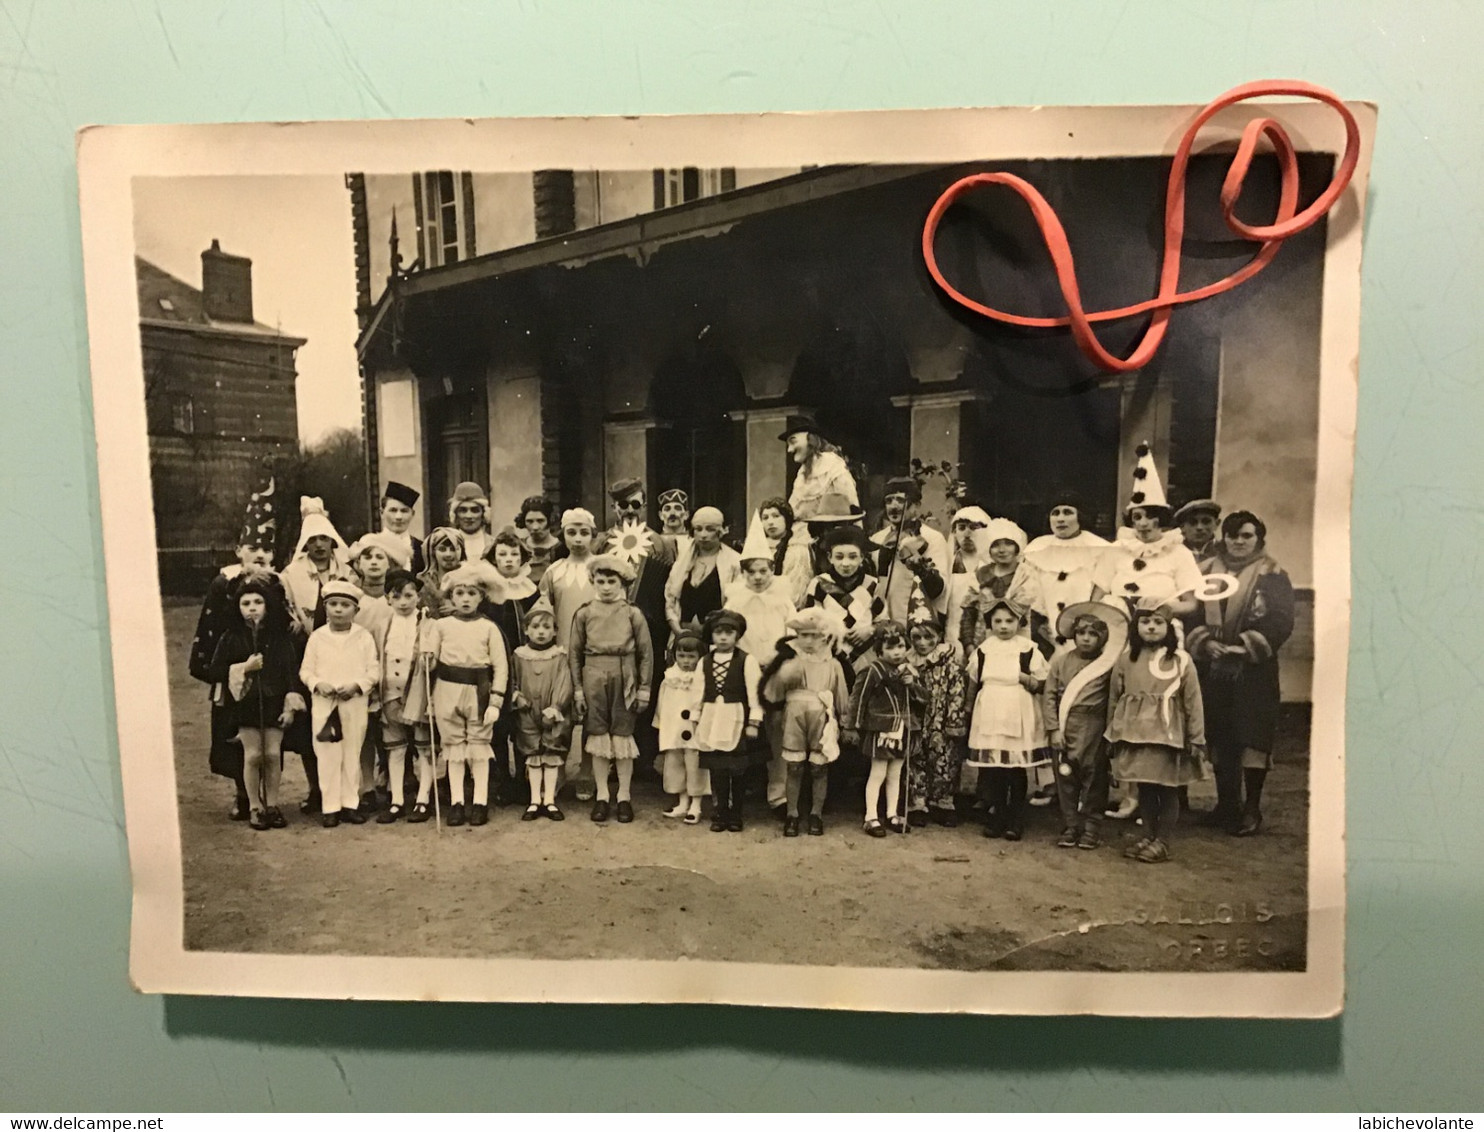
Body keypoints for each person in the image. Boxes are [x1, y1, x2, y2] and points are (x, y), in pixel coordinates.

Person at [1186, 510, 1295, 835]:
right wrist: (1204, 643)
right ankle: (1226, 805)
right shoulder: (1205, 571)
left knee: (1252, 737)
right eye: (1232, 535)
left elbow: (1281, 619)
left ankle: (1251, 810)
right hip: (1214, 666)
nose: (1238, 542)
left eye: (1246, 535)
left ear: (1258, 538)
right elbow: (1191, 613)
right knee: (1220, 736)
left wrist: (1245, 647)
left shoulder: (1272, 574)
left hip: (1253, 670)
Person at [188, 480, 281, 820]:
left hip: (267, 673)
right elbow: (210, 629)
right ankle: (243, 794)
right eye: (251, 547)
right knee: (235, 735)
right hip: (231, 668)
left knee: (268, 740)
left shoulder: (276, 584)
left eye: (265, 549)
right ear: (239, 548)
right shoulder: (224, 583)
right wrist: (219, 669)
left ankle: (268, 799)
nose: (259, 554)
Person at [1106, 583, 1208, 864]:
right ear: (1136, 627)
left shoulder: (1181, 661)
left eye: (1158, 622)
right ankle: (1148, 835)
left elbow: (1193, 702)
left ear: (1169, 626)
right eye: (1146, 622)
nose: (1151, 627)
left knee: (1167, 788)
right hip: (1135, 734)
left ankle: (1162, 840)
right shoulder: (1127, 659)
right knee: (1145, 788)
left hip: (1168, 734)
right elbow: (1116, 697)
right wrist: (1112, 735)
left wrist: (1196, 738)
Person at [208, 573, 306, 831]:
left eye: (257, 602)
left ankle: (272, 804)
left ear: (267, 605)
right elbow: (215, 669)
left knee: (273, 754)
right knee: (252, 756)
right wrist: (243, 667)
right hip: (245, 704)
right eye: (246, 603)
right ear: (238, 608)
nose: (252, 608)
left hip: (273, 701)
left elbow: (290, 672)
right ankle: (255, 805)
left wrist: (290, 704)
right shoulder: (230, 637)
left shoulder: (279, 637)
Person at [422, 562, 509, 828]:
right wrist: (427, 656)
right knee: (454, 747)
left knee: (478, 748)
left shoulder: (488, 627)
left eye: (472, 593)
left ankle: (480, 801)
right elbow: (430, 662)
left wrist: (496, 699)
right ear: (451, 597)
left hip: (478, 691)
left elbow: (500, 666)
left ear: (482, 597)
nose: (466, 599)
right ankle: (458, 802)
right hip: (448, 689)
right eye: (460, 593)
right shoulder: (441, 626)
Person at [570, 553, 655, 824]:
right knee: (598, 736)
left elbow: (645, 652)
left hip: (624, 671)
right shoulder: (584, 613)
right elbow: (574, 653)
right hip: (594, 672)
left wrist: (644, 688)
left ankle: (625, 796)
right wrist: (578, 690)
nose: (606, 587)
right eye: (601, 581)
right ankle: (603, 796)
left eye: (612, 581)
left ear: (623, 583)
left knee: (622, 735)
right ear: (593, 582)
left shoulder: (633, 613)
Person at [724, 513, 798, 813]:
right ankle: (737, 791)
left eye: (763, 571)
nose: (757, 577)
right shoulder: (735, 600)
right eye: (751, 572)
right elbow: (728, 635)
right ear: (743, 573)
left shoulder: (782, 599)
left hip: (775, 671)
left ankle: (777, 792)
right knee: (740, 727)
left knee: (777, 729)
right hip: (744, 670)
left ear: (772, 570)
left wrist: (776, 660)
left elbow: (792, 635)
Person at [965, 597, 1050, 841]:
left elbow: (1042, 684)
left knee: (1015, 768)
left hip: (1017, 709)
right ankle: (998, 815)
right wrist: (968, 710)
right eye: (998, 621)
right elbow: (973, 682)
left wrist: (1027, 680)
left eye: (1009, 621)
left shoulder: (1028, 648)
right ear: (990, 623)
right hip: (990, 708)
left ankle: (1016, 818)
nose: (1003, 626)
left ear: (1019, 622)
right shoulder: (984, 649)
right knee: (995, 769)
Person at [1044, 600, 1127, 850]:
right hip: (1066, 723)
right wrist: (1054, 729)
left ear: (1103, 638)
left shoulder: (1108, 664)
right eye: (1081, 633)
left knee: (1094, 778)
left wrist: (1111, 731)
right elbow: (1049, 695)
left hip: (1095, 726)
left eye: (1093, 634)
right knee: (1066, 778)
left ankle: (1092, 828)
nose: (1086, 639)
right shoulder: (1060, 662)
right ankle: (1071, 826)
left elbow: (1115, 697)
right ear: (1073, 635)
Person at [762, 607, 850, 836]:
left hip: (821, 715)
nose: (809, 641)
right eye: (803, 635)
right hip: (794, 716)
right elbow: (772, 693)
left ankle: (815, 814)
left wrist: (845, 722)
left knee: (819, 767)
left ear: (825, 637)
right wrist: (783, 677)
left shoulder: (833, 665)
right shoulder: (790, 661)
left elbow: (841, 696)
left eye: (814, 635)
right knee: (794, 766)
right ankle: (792, 814)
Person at [299, 580, 380, 828]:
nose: (338, 610)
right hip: (325, 704)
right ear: (326, 608)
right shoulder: (317, 637)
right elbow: (306, 670)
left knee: (352, 752)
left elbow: (373, 670)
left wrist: (357, 685)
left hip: (353, 703)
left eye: (345, 605)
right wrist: (318, 683)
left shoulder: (363, 637)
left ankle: (350, 804)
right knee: (327, 754)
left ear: (355, 611)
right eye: (333, 604)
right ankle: (330, 806)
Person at [1092, 443, 1203, 619]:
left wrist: (1163, 607)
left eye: (1150, 516)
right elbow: (1096, 599)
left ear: (1161, 519)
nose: (1143, 523)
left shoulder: (1179, 553)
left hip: (1159, 627)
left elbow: (1191, 604)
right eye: (1137, 517)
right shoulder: (1115, 550)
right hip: (1117, 626)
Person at [844, 620, 927, 838]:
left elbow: (924, 698)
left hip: (904, 728)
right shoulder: (872, 670)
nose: (897, 652)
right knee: (878, 772)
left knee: (895, 773)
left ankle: (892, 814)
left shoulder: (910, 670)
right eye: (890, 647)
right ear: (879, 649)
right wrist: (852, 727)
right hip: (881, 729)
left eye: (900, 646)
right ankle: (871, 816)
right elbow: (857, 699)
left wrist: (913, 685)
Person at [695, 609, 765, 833]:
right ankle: (720, 811)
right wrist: (696, 718)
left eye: (729, 632)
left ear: (737, 635)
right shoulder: (705, 661)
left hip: (736, 718)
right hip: (712, 718)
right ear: (712, 635)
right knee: (717, 770)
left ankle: (736, 813)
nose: (723, 637)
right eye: (718, 632)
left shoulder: (747, 660)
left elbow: (755, 693)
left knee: (737, 770)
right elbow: (698, 691)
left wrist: (753, 722)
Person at [374, 569, 434, 824]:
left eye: (409, 595)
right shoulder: (382, 626)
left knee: (424, 747)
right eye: (397, 596)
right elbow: (377, 657)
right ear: (388, 598)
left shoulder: (428, 624)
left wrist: (430, 659)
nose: (403, 601)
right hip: (390, 694)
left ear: (418, 597)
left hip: (418, 694)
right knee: (395, 749)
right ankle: (397, 799)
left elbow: (435, 659)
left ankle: (423, 799)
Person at [904, 593, 969, 828]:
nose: (922, 643)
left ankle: (942, 801)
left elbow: (957, 693)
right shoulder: (907, 664)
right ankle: (917, 802)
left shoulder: (949, 664)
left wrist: (954, 720)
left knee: (944, 760)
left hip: (941, 721)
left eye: (928, 637)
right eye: (917, 638)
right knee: (916, 759)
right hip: (917, 721)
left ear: (939, 637)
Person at [1023, 490, 1111, 656]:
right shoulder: (1037, 548)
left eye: (1068, 512)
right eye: (1055, 513)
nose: (1060, 518)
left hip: (1087, 629)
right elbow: (1031, 593)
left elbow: (1102, 589)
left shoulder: (1099, 548)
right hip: (1045, 629)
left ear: (1080, 517)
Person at [509, 596, 573, 822]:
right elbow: (512, 680)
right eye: (535, 627)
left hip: (551, 712)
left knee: (551, 752)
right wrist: (516, 697)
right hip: (527, 712)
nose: (541, 632)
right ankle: (535, 800)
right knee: (533, 754)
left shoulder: (559, 656)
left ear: (555, 631)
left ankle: (550, 800)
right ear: (526, 630)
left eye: (547, 627)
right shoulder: (519, 656)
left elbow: (564, 682)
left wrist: (555, 707)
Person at [799, 525, 883, 679]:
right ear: (830, 557)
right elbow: (811, 621)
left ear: (862, 557)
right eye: (839, 557)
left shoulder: (872, 585)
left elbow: (883, 620)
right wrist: (836, 631)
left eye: (852, 557)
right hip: (830, 655)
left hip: (865, 655)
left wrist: (870, 630)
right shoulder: (819, 584)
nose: (846, 563)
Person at [869, 475, 949, 624]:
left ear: (916, 506)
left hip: (918, 621)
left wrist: (922, 569)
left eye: (900, 500)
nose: (893, 506)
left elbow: (940, 590)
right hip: (885, 621)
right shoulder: (877, 539)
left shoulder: (933, 538)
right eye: (889, 501)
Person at [957, 517, 1039, 653]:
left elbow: (1035, 617)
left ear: (1017, 547)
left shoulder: (1026, 575)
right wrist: (969, 645)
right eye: (995, 545)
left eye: (1008, 543)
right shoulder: (981, 574)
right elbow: (969, 613)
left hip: (1019, 645)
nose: (1002, 550)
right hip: (982, 645)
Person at [654, 624, 708, 825]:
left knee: (695, 765)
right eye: (682, 656)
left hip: (695, 730)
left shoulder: (702, 678)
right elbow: (662, 703)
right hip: (674, 728)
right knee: (676, 765)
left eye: (691, 657)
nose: (686, 661)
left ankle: (696, 804)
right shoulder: (669, 678)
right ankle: (682, 801)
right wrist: (661, 725)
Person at [664, 505, 742, 643]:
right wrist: (678, 630)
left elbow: (735, 602)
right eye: (698, 529)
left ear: (721, 531)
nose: (703, 534)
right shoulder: (682, 562)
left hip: (719, 640)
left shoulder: (734, 563)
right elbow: (670, 599)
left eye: (710, 529)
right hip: (683, 640)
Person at [279, 495, 352, 636]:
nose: (318, 544)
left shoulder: (346, 571)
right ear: (305, 543)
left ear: (332, 540)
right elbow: (286, 606)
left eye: (323, 538)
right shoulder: (290, 574)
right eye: (312, 540)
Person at [781, 414, 860, 530]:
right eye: (788, 445)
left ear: (810, 439)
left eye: (793, 442)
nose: (790, 449)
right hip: (798, 535)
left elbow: (851, 506)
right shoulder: (802, 473)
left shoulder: (833, 466)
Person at [539, 508, 599, 648]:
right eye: (571, 533)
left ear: (592, 536)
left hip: (598, 647)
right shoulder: (554, 572)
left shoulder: (603, 568)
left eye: (584, 533)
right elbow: (542, 613)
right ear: (563, 536)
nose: (578, 539)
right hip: (564, 646)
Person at [942, 505, 993, 659]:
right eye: (962, 528)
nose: (967, 533)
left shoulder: (992, 565)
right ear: (955, 532)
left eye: (973, 527)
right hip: (953, 634)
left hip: (984, 635)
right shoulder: (949, 564)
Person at [757, 496, 814, 606]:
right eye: (765, 518)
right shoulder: (757, 547)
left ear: (786, 519)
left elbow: (795, 590)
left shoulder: (797, 550)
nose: (770, 522)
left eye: (776, 516)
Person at [514, 496, 567, 585]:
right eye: (530, 521)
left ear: (550, 520)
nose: (535, 527)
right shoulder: (518, 546)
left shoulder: (562, 549)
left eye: (540, 521)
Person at [378, 481, 425, 575]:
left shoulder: (422, 549)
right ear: (382, 513)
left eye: (404, 511)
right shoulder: (371, 544)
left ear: (412, 514)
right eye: (393, 510)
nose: (398, 517)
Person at [417, 527, 465, 617]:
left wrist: (461, 610)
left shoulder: (471, 579)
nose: (448, 554)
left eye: (453, 549)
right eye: (442, 549)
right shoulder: (422, 581)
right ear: (433, 552)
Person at [448, 481, 494, 563]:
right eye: (463, 510)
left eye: (475, 510)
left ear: (483, 514)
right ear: (455, 515)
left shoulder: (493, 544)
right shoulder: (448, 545)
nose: (469, 516)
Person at [656, 488, 692, 557]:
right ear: (661, 515)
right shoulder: (655, 542)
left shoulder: (694, 542)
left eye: (677, 508)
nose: (672, 513)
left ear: (686, 515)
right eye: (667, 509)